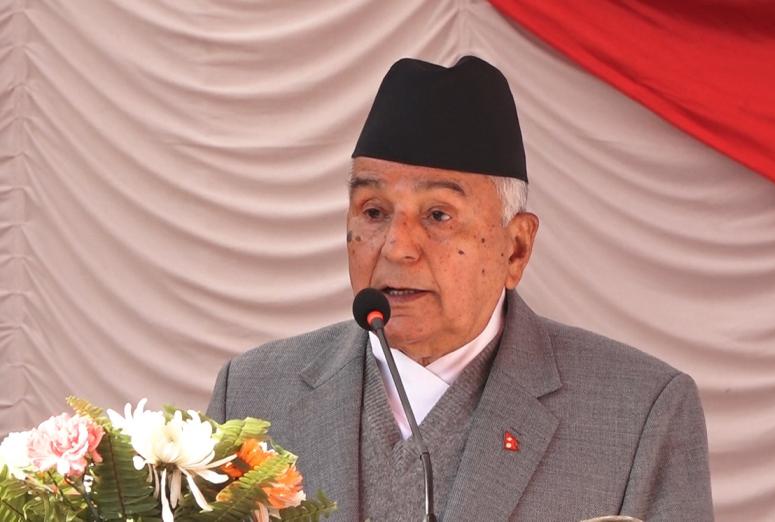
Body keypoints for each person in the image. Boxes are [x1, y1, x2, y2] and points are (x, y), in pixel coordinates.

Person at [208, 56, 713, 521]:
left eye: (438, 215)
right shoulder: (253, 393)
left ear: (516, 248)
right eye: (374, 212)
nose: (397, 248)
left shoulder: (639, 412)